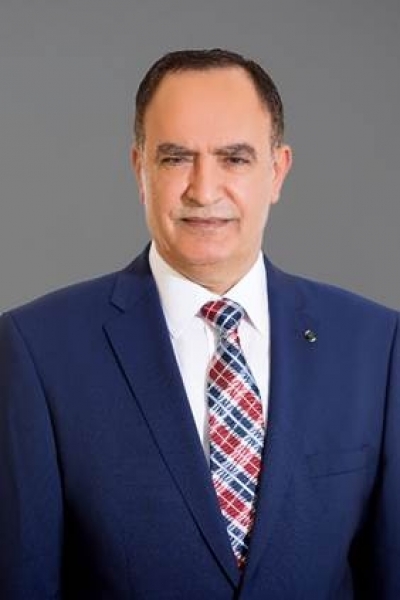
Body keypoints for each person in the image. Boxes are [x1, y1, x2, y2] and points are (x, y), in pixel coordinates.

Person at [0, 48, 399, 599]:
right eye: (175, 158)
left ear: (277, 171)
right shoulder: (38, 351)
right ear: (139, 169)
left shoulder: (376, 346)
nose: (204, 190)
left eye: (234, 158)